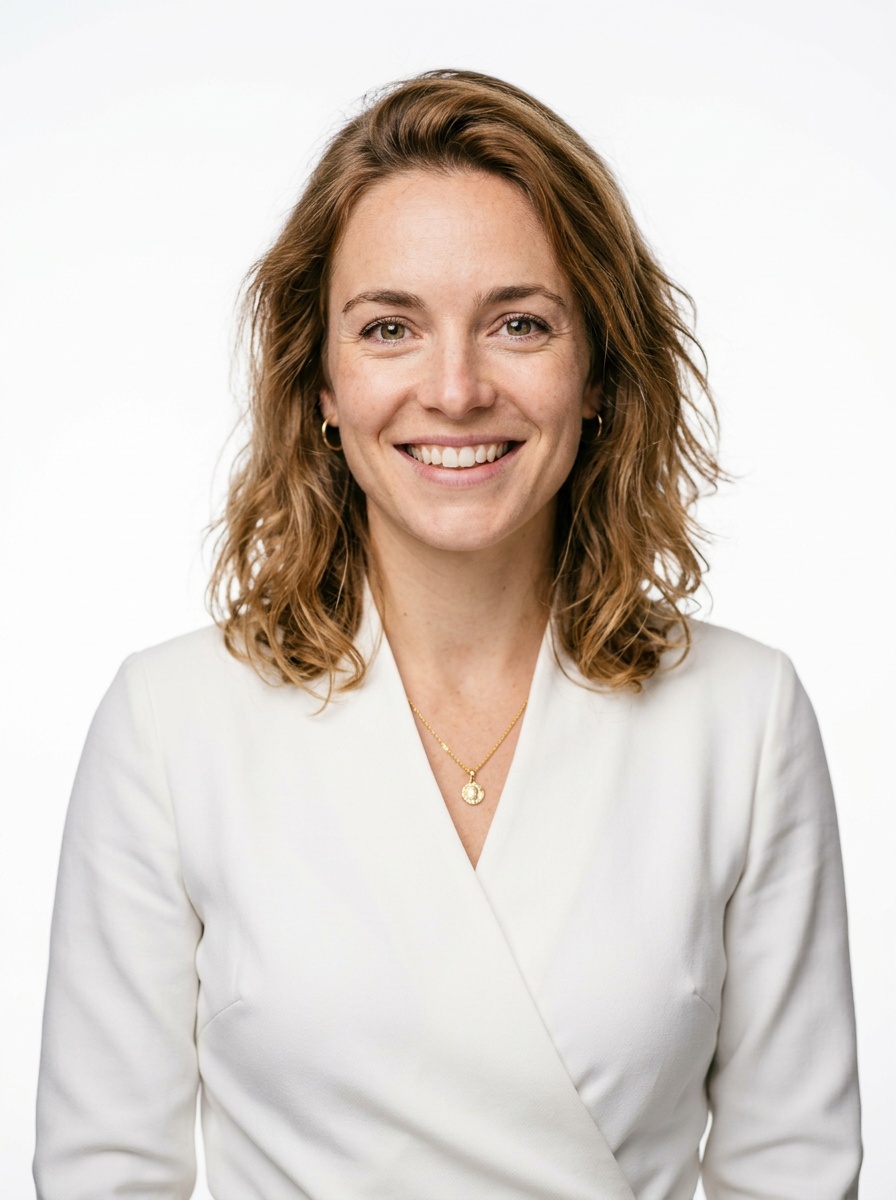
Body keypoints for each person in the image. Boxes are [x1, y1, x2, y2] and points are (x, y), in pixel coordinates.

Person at [34, 69, 861, 1199]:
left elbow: (793, 1172)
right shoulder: (169, 726)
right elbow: (104, 1176)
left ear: (598, 371)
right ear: (321, 383)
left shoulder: (744, 720)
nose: (457, 389)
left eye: (519, 324)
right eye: (390, 329)